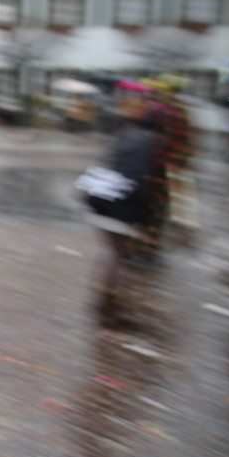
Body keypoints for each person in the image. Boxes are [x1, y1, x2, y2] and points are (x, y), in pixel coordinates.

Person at [82, 99, 165, 320]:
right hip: (124, 203)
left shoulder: (122, 134)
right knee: (119, 254)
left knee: (113, 250)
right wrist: (145, 214)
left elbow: (109, 162)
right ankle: (108, 296)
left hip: (103, 198)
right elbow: (143, 179)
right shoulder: (151, 142)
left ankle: (103, 289)